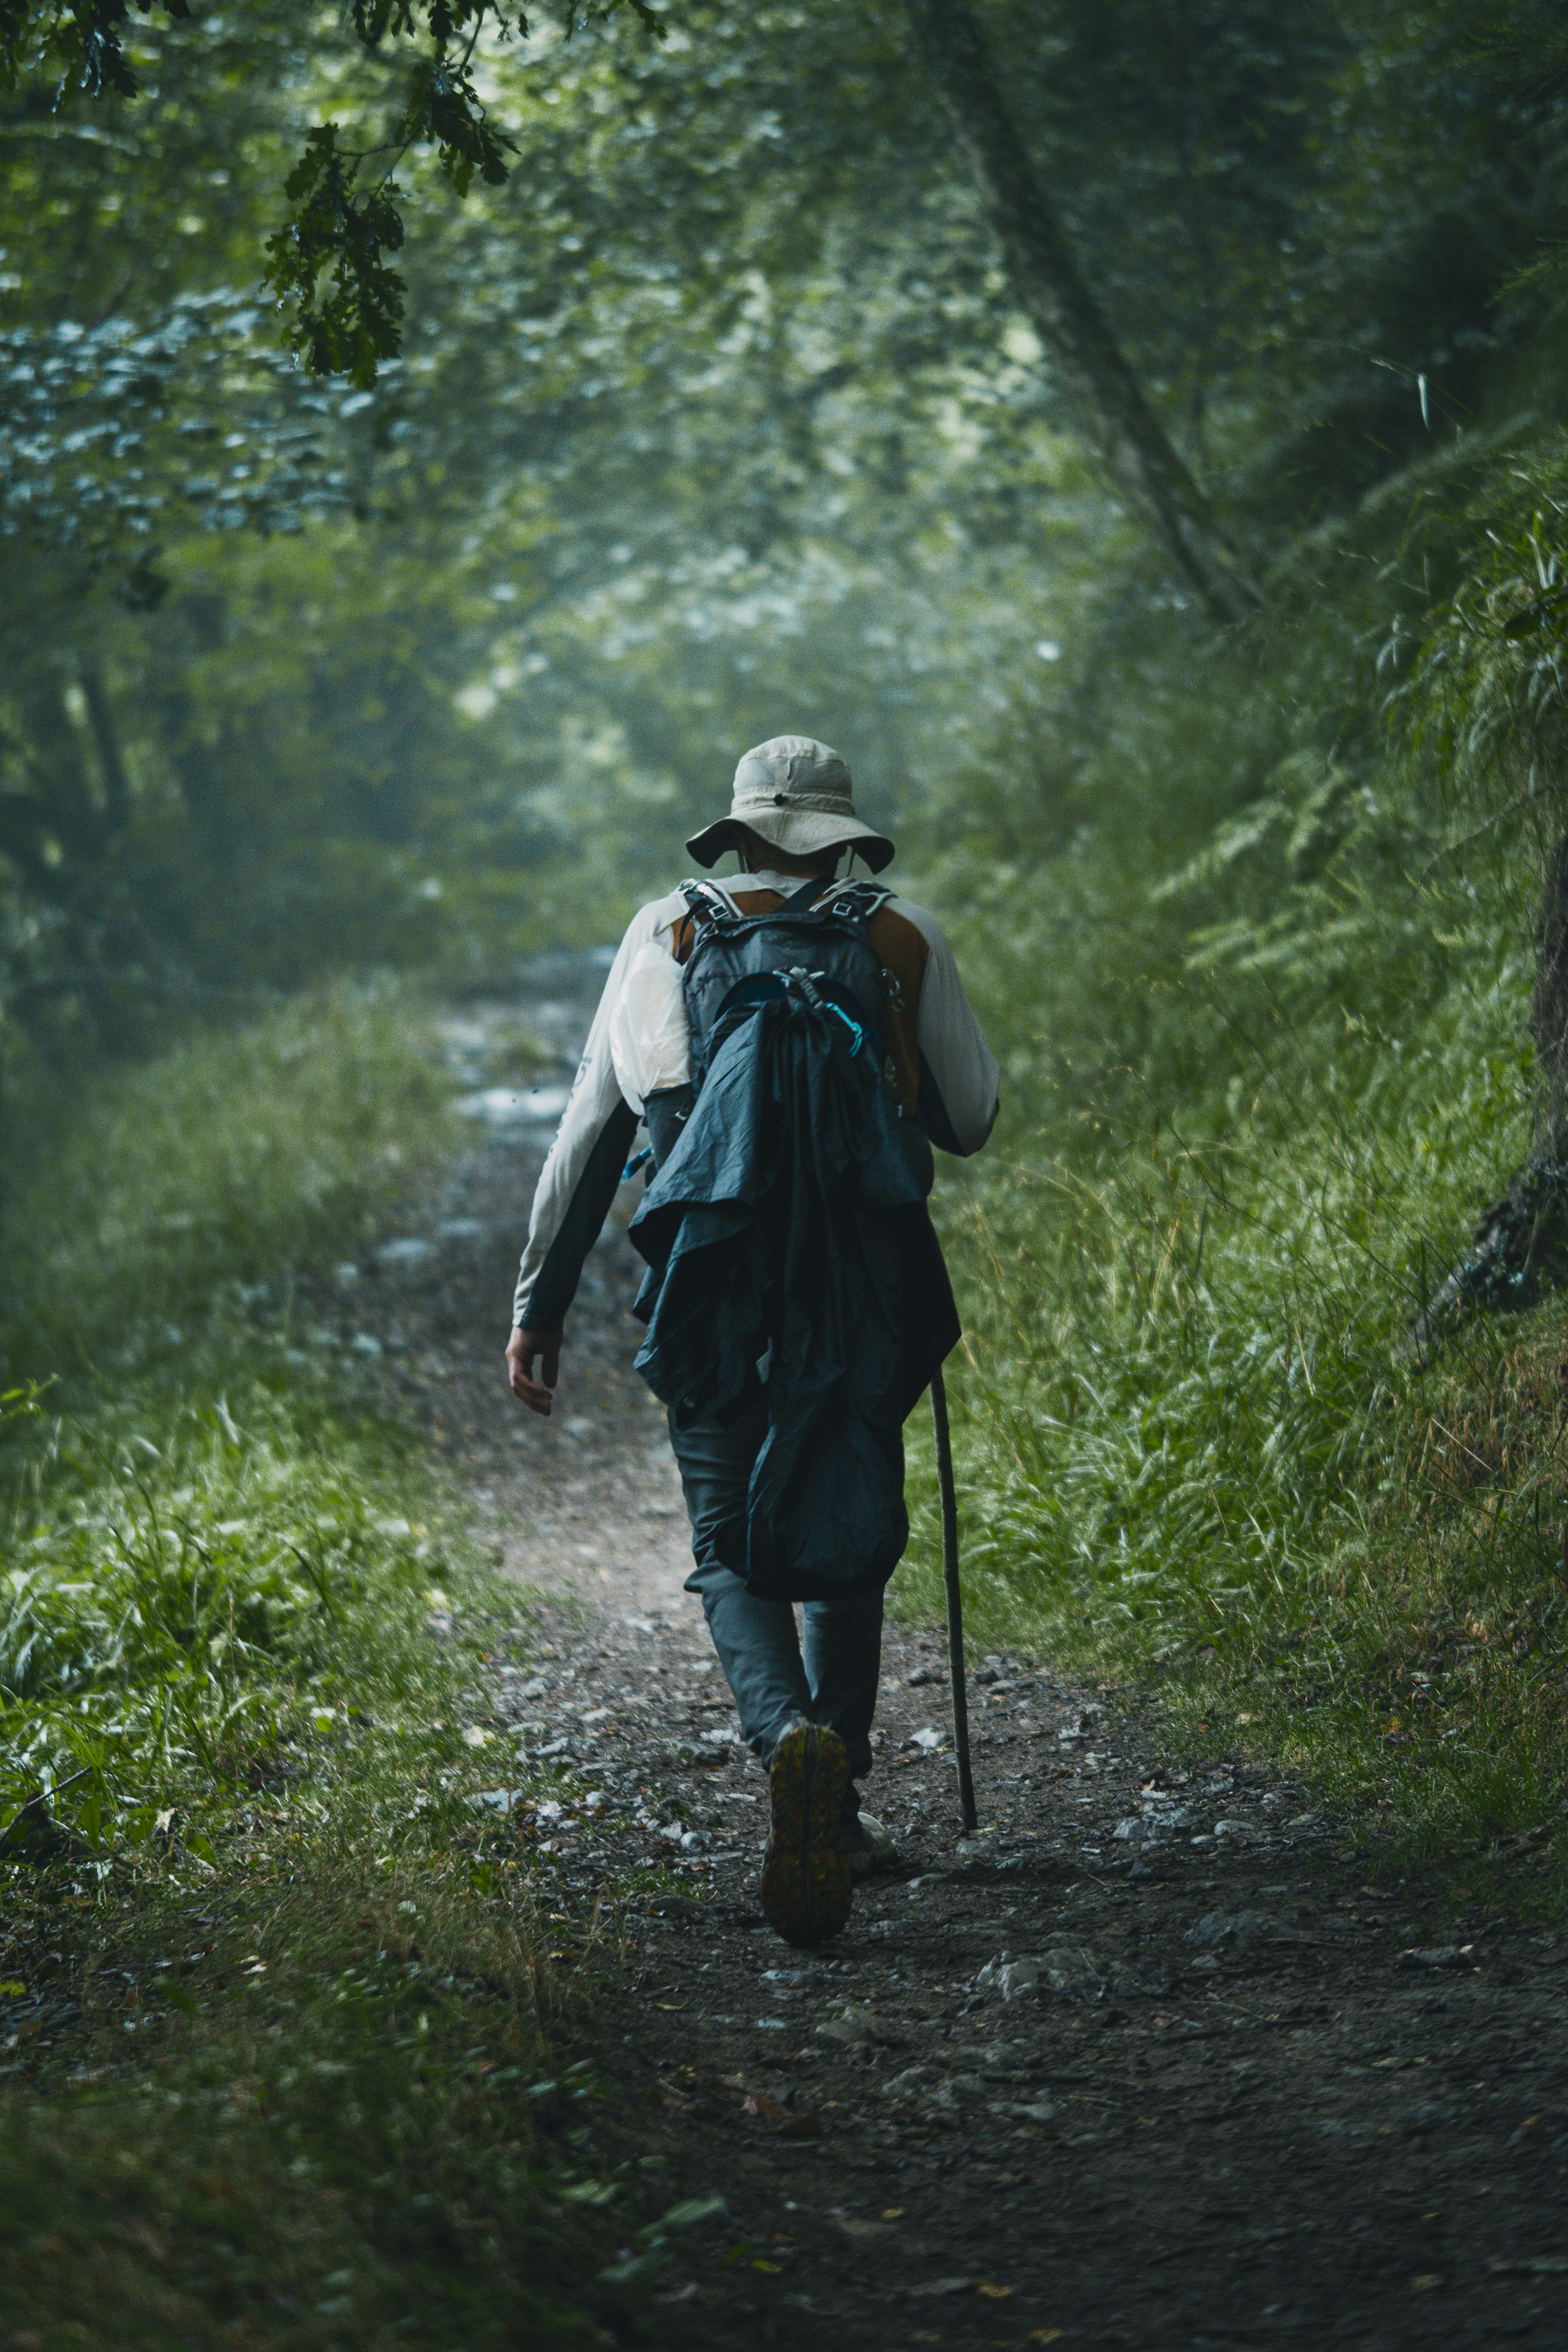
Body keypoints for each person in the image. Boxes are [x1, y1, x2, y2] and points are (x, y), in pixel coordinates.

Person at [506, 736, 999, 1944]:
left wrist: (540, 1302)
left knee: (725, 1531)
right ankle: (841, 1787)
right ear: (842, 831)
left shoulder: (666, 933)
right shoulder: (895, 933)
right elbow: (971, 1116)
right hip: (859, 1276)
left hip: (711, 1271)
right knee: (843, 1502)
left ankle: (786, 1742)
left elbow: (587, 1134)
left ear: (736, 832)